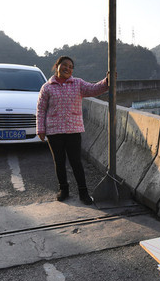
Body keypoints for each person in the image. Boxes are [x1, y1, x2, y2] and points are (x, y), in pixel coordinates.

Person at [36, 56, 109, 205]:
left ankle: (83, 192)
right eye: (64, 65)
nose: (67, 68)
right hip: (54, 131)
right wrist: (40, 129)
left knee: (76, 162)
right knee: (59, 162)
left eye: (70, 66)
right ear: (57, 66)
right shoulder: (47, 87)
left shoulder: (78, 84)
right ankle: (64, 189)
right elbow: (41, 109)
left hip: (73, 130)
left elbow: (94, 89)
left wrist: (107, 81)